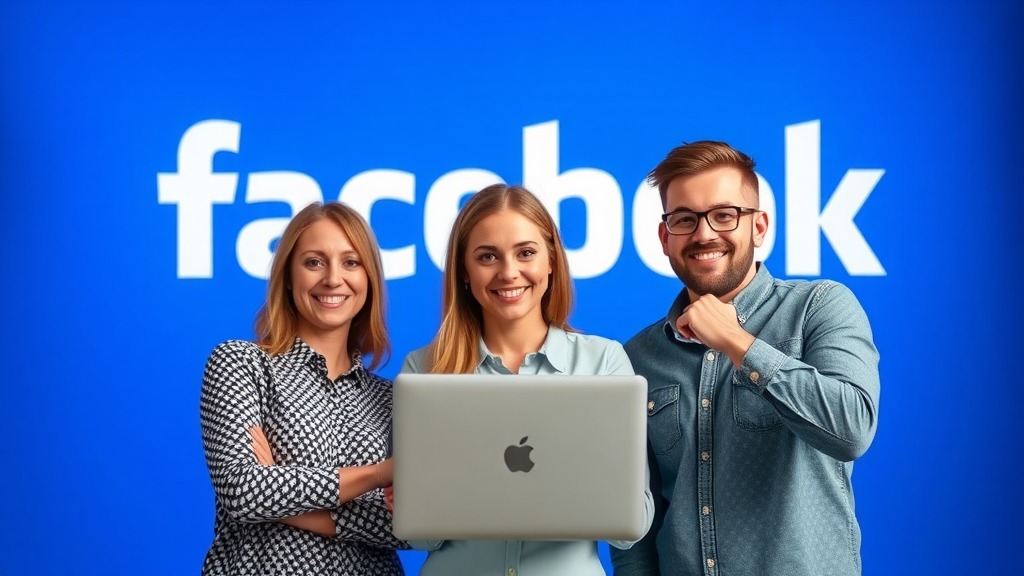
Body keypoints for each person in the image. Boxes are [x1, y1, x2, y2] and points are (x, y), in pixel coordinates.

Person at [610, 141, 880, 576]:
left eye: (724, 215)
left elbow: (851, 430)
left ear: (759, 227)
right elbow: (636, 519)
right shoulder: (638, 356)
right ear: (665, 238)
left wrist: (737, 342)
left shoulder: (820, 307)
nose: (703, 234)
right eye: (685, 219)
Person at [398, 183, 654, 575]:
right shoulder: (424, 369)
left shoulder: (603, 361)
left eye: (526, 253)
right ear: (464, 272)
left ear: (551, 260)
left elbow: (631, 525)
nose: (508, 272)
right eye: (487, 256)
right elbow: (421, 537)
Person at [199, 201, 407, 575]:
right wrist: (377, 475)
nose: (332, 278)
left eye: (351, 262)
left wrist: (282, 493)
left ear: (369, 279)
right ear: (289, 276)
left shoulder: (391, 399)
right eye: (314, 262)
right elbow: (243, 491)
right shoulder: (241, 364)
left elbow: (411, 528)